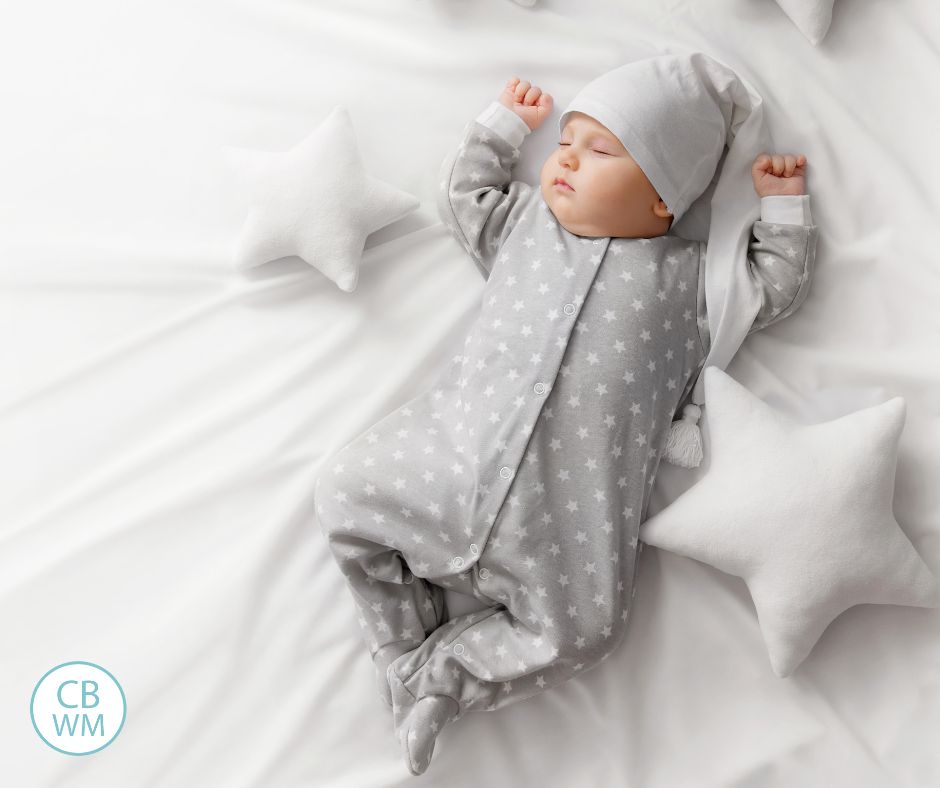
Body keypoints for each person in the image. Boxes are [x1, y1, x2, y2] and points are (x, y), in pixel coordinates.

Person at [315, 55, 818, 776]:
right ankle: (401, 646)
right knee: (344, 493)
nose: (567, 161)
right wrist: (501, 129)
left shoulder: (693, 285)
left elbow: (771, 287)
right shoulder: (526, 227)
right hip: (448, 461)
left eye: (600, 150)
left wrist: (783, 207)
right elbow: (467, 195)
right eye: (565, 143)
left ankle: (443, 681)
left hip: (564, 524)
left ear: (661, 197)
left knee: (589, 631)